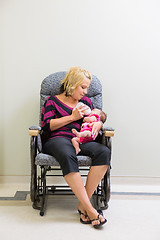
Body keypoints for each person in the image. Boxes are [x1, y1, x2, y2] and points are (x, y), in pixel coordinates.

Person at [41, 66, 111, 228]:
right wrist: (71, 117)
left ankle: (82, 205)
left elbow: (96, 115)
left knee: (103, 152)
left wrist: (99, 123)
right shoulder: (52, 101)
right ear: (72, 84)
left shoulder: (85, 102)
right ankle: (91, 209)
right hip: (57, 139)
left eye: (87, 88)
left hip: (80, 139)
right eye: (83, 87)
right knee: (67, 153)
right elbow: (47, 126)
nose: (86, 92)